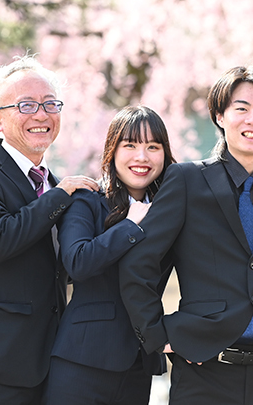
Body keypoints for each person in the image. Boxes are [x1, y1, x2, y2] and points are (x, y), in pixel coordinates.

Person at [118, 65, 253, 405]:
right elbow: (140, 263)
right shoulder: (186, 181)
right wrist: (156, 335)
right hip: (202, 371)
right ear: (220, 116)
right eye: (242, 108)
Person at [0, 54, 100, 405]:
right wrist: (60, 196)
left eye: (50, 104)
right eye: (26, 105)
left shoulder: (56, 185)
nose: (41, 115)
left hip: (53, 365)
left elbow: (64, 265)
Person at [43, 106, 176, 404]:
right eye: (130, 145)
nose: (141, 157)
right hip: (83, 359)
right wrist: (130, 224)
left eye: (153, 147)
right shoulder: (87, 202)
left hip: (139, 363)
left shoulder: (167, 212)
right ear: (112, 151)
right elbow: (77, 262)